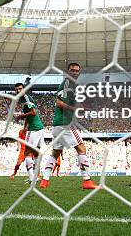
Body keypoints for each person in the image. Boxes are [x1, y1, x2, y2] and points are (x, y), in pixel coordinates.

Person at [40, 62, 97, 190]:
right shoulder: (66, 83)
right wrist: (74, 108)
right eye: (72, 70)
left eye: (77, 71)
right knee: (81, 148)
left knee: (55, 153)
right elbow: (59, 103)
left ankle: (45, 180)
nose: (75, 73)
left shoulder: (72, 85)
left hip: (57, 125)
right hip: (65, 123)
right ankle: (87, 180)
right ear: (67, 71)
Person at [14, 82, 45, 184]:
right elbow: (29, 115)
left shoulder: (26, 98)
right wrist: (24, 127)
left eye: (20, 89)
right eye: (17, 89)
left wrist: (19, 116)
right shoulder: (24, 100)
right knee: (36, 153)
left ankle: (32, 178)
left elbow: (33, 112)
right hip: (39, 128)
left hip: (35, 129)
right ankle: (36, 176)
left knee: (27, 152)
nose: (18, 91)